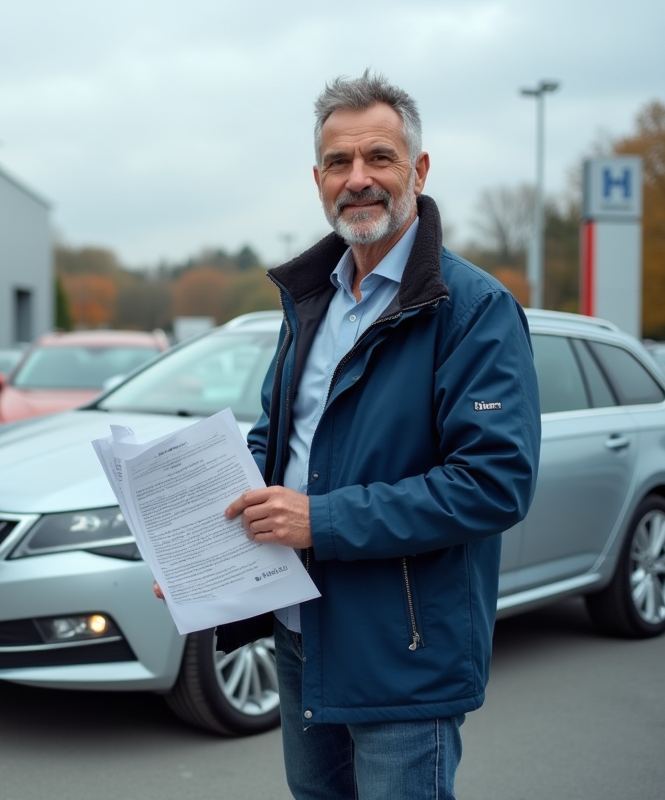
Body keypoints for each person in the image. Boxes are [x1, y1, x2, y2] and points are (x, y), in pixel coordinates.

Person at [218, 70, 541, 799]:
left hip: (403, 656)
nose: (358, 179)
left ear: (419, 171)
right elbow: (279, 442)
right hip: (303, 639)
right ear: (318, 178)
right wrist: (198, 558)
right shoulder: (310, 302)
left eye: (379, 159)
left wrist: (320, 520)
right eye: (339, 163)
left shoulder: (474, 310)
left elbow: (493, 484)